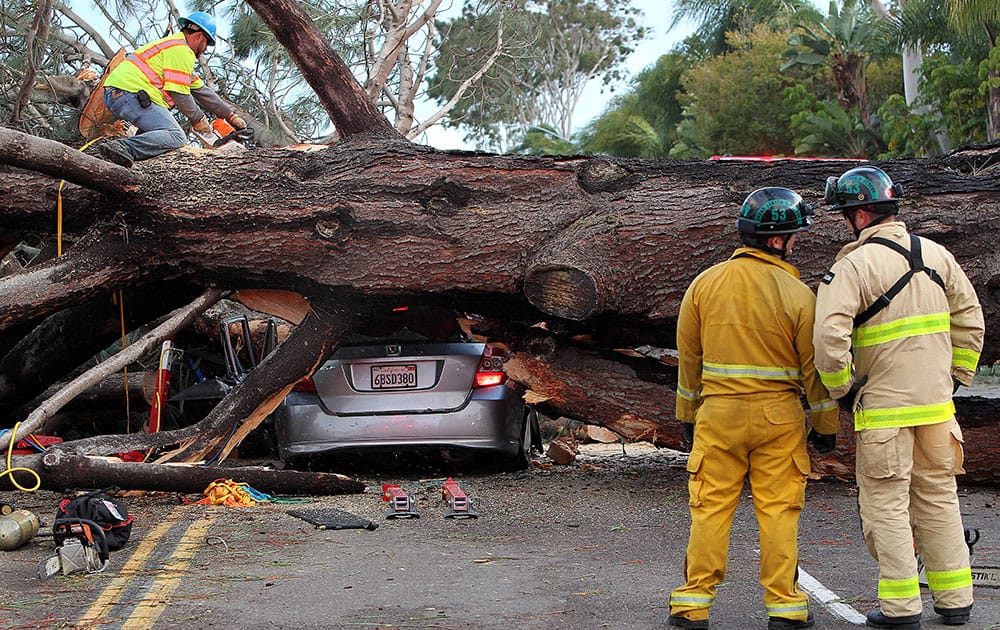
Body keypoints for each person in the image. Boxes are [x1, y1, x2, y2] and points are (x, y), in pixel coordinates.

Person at [813, 166, 985, 629]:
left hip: (885, 412)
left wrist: (841, 388)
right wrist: (955, 377)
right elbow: (971, 320)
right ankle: (955, 601)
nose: (846, 220)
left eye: (846, 213)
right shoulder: (937, 256)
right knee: (939, 500)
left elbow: (829, 339)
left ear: (862, 213)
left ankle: (901, 607)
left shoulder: (852, 267)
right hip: (937, 410)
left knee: (887, 506)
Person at [668, 187, 839, 630]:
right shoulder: (800, 295)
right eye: (794, 235)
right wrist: (825, 424)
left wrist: (687, 417)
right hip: (778, 418)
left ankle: (692, 603)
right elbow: (813, 371)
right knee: (779, 510)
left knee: (710, 508)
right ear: (778, 240)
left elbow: (689, 362)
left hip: (717, 415)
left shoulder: (703, 285)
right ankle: (785, 606)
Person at [98, 12, 247, 168]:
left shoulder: (175, 49)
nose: (204, 50)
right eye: (206, 44)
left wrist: (230, 115)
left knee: (156, 143)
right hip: (130, 94)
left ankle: (120, 162)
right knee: (176, 136)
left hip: (124, 93)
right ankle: (122, 147)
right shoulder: (182, 51)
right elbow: (180, 94)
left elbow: (202, 92)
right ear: (199, 36)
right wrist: (198, 119)